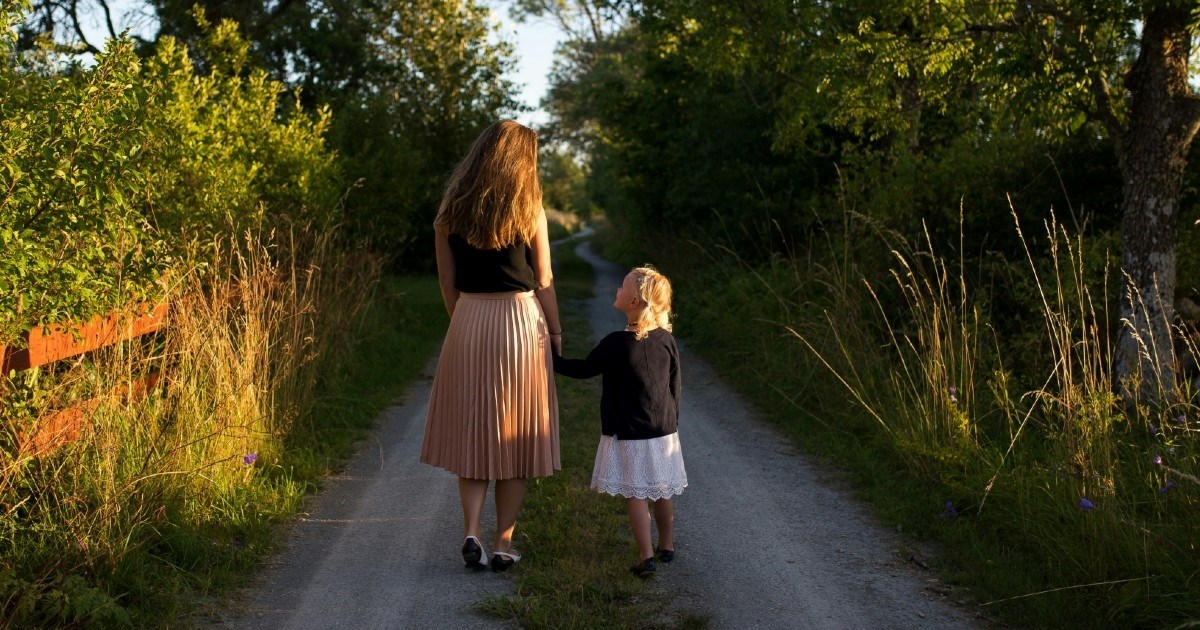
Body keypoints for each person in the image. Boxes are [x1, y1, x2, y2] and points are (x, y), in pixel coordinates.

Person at [420, 120, 562, 573]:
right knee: (515, 435)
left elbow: (446, 281)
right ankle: (503, 542)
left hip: (469, 319)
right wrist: (556, 333)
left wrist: (463, 321)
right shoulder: (529, 207)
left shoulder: (450, 211)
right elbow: (543, 280)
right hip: (520, 322)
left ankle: (471, 533)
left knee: (474, 432)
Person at [553, 265, 686, 578]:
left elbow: (582, 369)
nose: (616, 290)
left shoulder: (614, 343)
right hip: (663, 430)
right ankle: (667, 545)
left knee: (636, 494)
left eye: (621, 287)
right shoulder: (666, 340)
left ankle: (645, 556)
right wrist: (671, 421)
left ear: (634, 302)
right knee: (662, 490)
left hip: (629, 431)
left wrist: (549, 358)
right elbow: (675, 384)